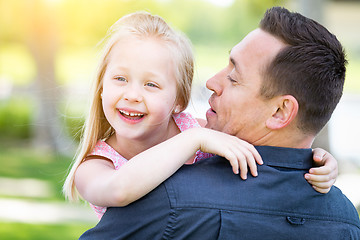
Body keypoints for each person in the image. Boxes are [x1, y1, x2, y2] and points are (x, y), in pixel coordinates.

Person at [79, 7, 360, 239]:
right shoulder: (347, 221)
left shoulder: (171, 202)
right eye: (120, 79)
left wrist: (321, 163)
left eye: (234, 77)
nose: (212, 82)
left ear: (280, 112)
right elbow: (117, 187)